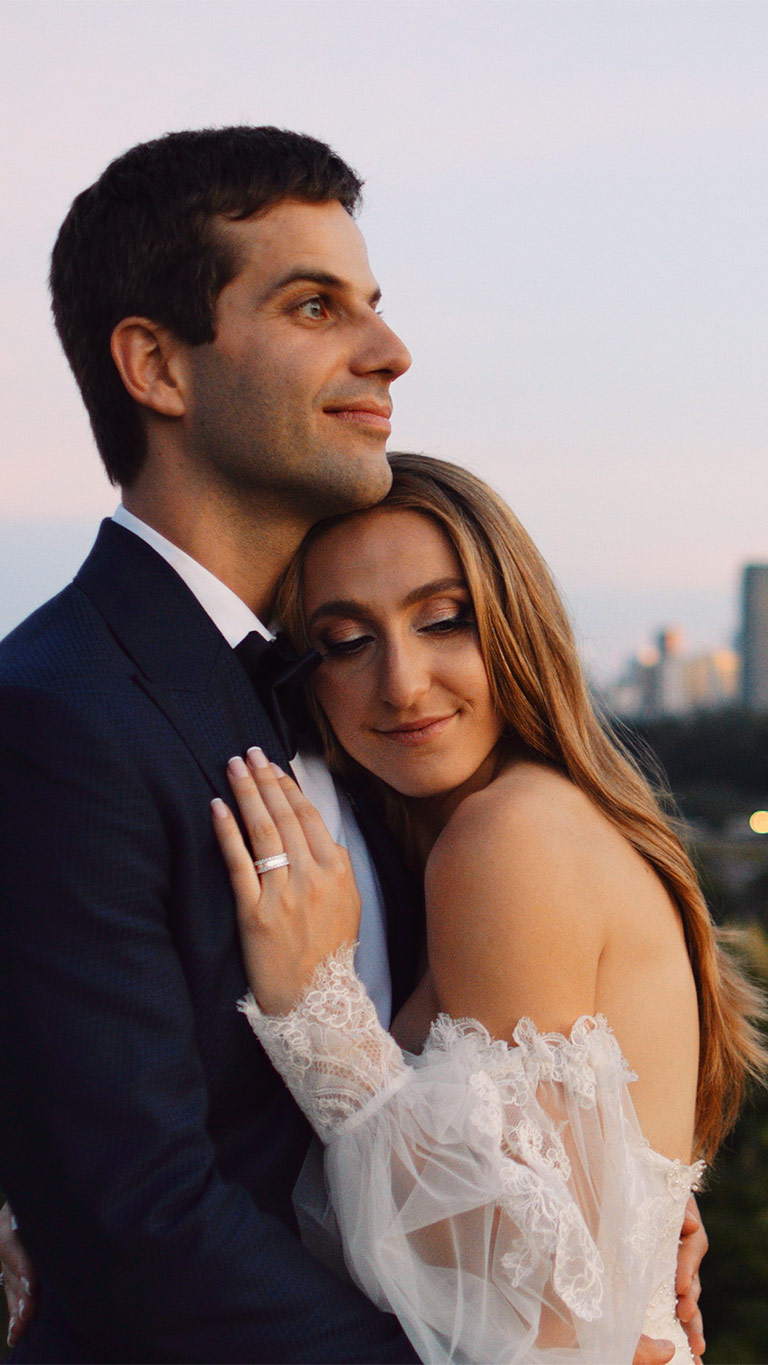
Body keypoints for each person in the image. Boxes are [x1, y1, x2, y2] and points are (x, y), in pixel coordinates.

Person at [0, 127, 706, 1364]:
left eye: (373, 305)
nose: (391, 350)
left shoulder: (396, 743)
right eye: (315, 304)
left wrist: (622, 1231)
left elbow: (524, 1115)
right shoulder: (57, 716)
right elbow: (137, 1222)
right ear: (156, 365)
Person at [207, 453, 766, 1363]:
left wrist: (317, 1017)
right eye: (347, 640)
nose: (402, 682)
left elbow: (539, 1291)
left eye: (444, 620)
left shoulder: (507, 839)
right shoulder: (505, 824)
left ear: (516, 623)